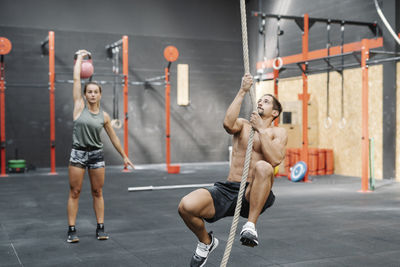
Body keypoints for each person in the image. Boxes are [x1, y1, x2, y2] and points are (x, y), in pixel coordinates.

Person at [178, 73, 287, 266]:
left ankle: (250, 226)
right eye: (260, 100)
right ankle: (206, 242)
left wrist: (261, 129)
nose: (261, 102)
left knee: (263, 166)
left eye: (266, 101)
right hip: (228, 189)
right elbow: (227, 123)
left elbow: (276, 159)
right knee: (186, 206)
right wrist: (243, 90)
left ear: (275, 113)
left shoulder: (278, 132)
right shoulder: (243, 125)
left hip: (254, 191)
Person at [66, 50, 134, 243]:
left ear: (100, 95)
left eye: (96, 92)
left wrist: (124, 156)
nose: (92, 94)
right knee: (75, 192)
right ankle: (71, 229)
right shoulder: (79, 106)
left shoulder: (104, 116)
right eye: (89, 92)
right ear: (85, 95)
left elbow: (113, 138)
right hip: (78, 154)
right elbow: (77, 80)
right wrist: (79, 58)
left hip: (96, 155)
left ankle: (100, 227)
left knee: (97, 192)